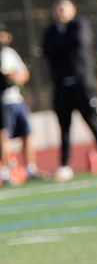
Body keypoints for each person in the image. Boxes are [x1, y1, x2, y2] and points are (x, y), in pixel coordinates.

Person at [41, 0, 97, 181]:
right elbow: (46, 50)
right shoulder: (50, 31)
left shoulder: (80, 24)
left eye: (63, 8)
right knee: (64, 128)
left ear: (73, 9)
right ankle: (65, 165)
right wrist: (60, 46)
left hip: (81, 84)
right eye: (56, 8)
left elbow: (76, 41)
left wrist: (59, 46)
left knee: (93, 123)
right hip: (61, 87)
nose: (59, 11)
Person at [0, 23, 46, 184]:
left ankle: (30, 169)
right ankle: (5, 173)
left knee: (27, 133)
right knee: (4, 136)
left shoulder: (9, 53)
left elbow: (24, 73)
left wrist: (14, 78)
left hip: (15, 99)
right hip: (1, 102)